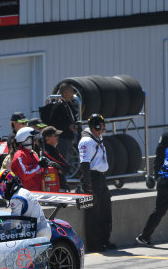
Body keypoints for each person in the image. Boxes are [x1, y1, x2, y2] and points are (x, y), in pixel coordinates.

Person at [0, 169, 52, 269]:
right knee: (41, 264)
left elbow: (14, 223)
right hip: (44, 229)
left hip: (36, 233)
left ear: (5, 185)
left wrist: (0, 226)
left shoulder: (15, 199)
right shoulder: (24, 192)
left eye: (0, 188)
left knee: (28, 264)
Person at [78, 114, 116, 251]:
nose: (104, 126)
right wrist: (88, 186)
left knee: (105, 211)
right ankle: (94, 244)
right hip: (92, 179)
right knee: (93, 214)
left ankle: (105, 240)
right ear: (96, 125)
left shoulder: (97, 138)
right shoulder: (86, 141)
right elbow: (85, 164)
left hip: (101, 178)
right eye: (102, 124)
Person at [11, 127, 47, 191]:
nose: (35, 142)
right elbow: (25, 174)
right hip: (26, 194)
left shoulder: (33, 154)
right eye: (33, 139)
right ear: (27, 140)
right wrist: (39, 165)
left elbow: (37, 171)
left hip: (37, 192)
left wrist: (47, 166)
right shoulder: (19, 155)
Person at [49, 82, 78, 161]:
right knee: (62, 159)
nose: (73, 93)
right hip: (62, 138)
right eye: (71, 91)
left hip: (69, 137)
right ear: (65, 93)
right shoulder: (58, 106)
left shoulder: (69, 104)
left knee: (68, 159)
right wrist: (67, 127)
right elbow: (53, 123)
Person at [41, 126, 69, 190]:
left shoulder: (53, 149)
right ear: (47, 138)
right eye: (55, 135)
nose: (57, 137)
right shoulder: (48, 151)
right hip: (55, 187)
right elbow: (66, 167)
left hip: (58, 184)